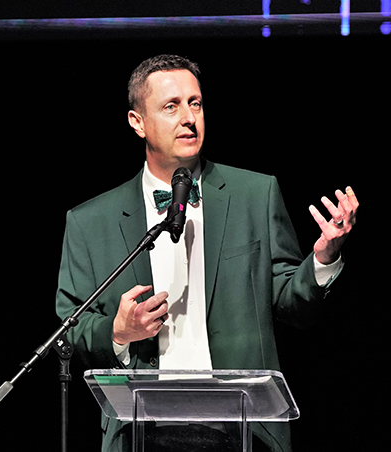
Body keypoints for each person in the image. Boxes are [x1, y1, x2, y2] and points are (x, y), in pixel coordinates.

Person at [55, 54, 359, 452]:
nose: (188, 117)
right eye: (171, 106)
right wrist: (118, 332)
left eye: (195, 103)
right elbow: (70, 325)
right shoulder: (90, 221)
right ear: (137, 122)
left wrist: (322, 259)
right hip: (140, 432)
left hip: (245, 428)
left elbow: (292, 306)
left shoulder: (255, 195)